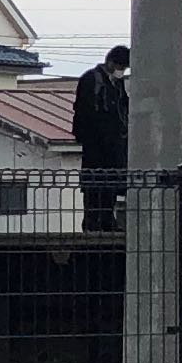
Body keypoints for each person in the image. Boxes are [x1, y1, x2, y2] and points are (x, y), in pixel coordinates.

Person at [71, 43, 130, 233]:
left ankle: (107, 219)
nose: (122, 71)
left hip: (114, 143)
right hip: (96, 143)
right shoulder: (92, 80)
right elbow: (87, 112)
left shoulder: (116, 84)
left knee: (110, 184)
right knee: (95, 184)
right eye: (121, 67)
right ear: (111, 63)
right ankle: (92, 222)